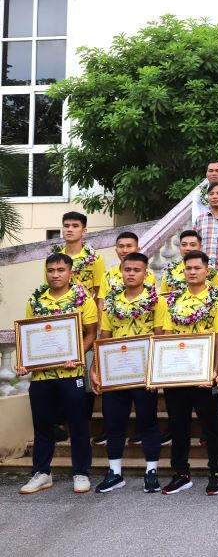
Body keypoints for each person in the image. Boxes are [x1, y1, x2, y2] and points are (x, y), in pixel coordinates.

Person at [17, 253, 99, 495]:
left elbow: (91, 334)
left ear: (70, 272)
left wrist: (77, 354)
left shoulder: (83, 299)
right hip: (41, 376)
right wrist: (25, 362)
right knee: (43, 425)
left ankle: (81, 472)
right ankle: (42, 473)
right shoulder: (35, 300)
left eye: (60, 270)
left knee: (78, 424)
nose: (55, 275)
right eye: (51, 270)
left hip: (71, 373)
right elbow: (30, 334)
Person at [90, 252, 164, 494]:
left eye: (136, 270)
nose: (131, 274)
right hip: (116, 373)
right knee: (114, 423)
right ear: (121, 271)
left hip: (144, 373)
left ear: (146, 273)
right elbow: (104, 336)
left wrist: (156, 374)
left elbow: (160, 336)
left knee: (147, 423)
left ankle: (151, 472)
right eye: (127, 269)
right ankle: (115, 473)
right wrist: (95, 368)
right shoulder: (111, 302)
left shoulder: (156, 301)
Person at [160, 251, 218, 495]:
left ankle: (216, 473)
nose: (192, 272)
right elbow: (167, 335)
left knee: (211, 426)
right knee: (178, 425)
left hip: (204, 375)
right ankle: (181, 473)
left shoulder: (217, 299)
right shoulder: (173, 299)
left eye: (197, 268)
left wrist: (216, 369)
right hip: (177, 373)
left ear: (207, 271)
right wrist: (164, 370)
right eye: (188, 268)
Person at [51, 211, 105, 298]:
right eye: (66, 226)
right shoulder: (52, 260)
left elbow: (100, 292)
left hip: (86, 305)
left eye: (75, 226)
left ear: (84, 231)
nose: (69, 229)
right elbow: (49, 288)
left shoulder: (95, 258)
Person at [160, 229, 218, 298]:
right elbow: (163, 299)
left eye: (192, 245)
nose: (188, 248)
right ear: (179, 247)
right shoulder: (170, 271)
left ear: (200, 247)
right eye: (184, 245)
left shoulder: (210, 272)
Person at [96, 231, 156, 306]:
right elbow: (101, 303)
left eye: (129, 246)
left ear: (138, 250)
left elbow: (152, 301)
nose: (124, 250)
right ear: (116, 250)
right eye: (121, 246)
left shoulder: (148, 275)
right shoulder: (108, 275)